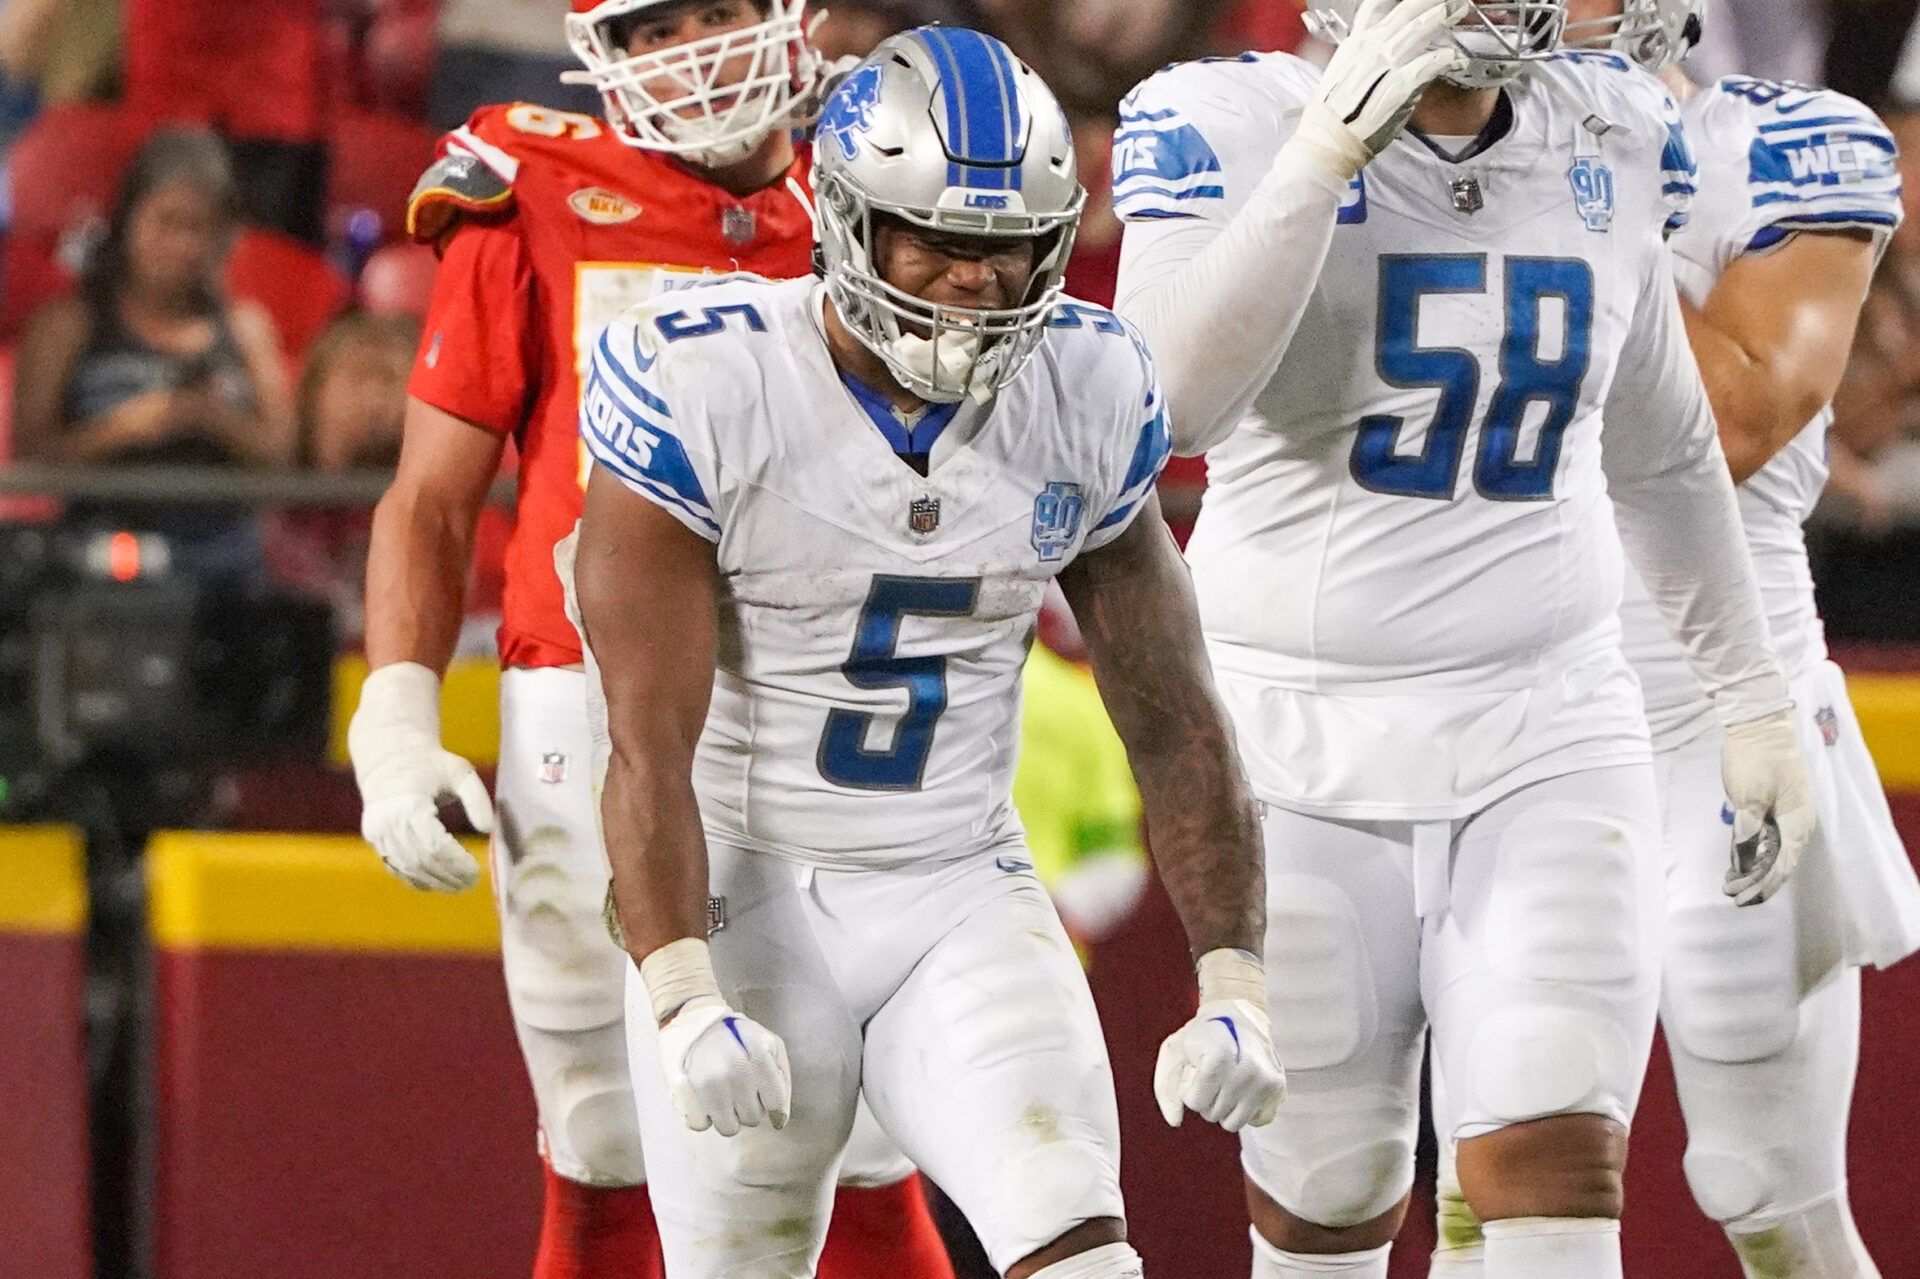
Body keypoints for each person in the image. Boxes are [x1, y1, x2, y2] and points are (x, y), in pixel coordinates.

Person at [1111, 0, 1820, 1274]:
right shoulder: (1226, 121)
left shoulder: (1607, 126)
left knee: (1557, 1165)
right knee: (1328, 1197)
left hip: (1548, 723)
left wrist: (1750, 691)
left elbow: (1658, 452)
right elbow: (1169, 407)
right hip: (1297, 742)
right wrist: (1323, 156)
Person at [571, 28, 1285, 1279]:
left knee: (1084, 1252)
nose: (974, 281)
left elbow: (1175, 717)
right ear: (849, 222)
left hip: (960, 882)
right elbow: (643, 746)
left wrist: (1234, 974)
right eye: (941, 243)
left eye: (1006, 248)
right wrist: (683, 990)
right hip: (751, 888)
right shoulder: (704, 378)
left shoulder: (1087, 384)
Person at [344, 3, 951, 1276]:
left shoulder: (886, 179)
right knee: (603, 1126)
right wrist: (396, 717)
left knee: (864, 1125)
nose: (697, 45)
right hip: (589, 704)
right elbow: (430, 496)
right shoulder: (539, 188)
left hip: (820, 692)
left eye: (718, 8)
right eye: (656, 22)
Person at [1421, 3, 1920, 1275]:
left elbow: (1735, 417)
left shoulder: (1786, 146)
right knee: (1489, 1188)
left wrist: (1577, 189)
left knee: (1769, 1192)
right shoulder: (1425, 149)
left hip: (1717, 719)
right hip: (1499, 726)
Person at [13, 127, 295, 583]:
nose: (184, 246)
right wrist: (130, 425)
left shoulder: (247, 328)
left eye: (200, 228)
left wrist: (212, 419)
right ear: (128, 221)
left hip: (224, 563)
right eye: (167, 223)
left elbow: (286, 459)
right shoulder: (69, 325)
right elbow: (31, 458)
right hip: (98, 557)